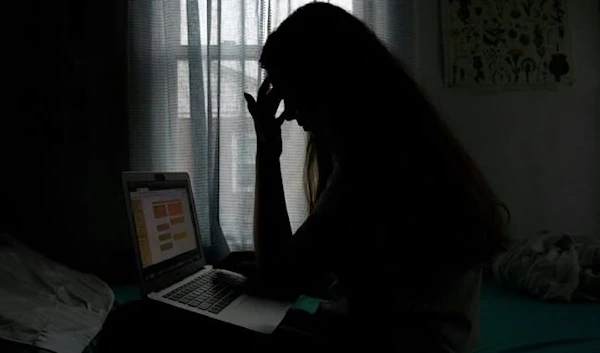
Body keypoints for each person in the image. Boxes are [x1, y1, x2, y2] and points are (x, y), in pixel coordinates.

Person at [97, 3, 510, 353]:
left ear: (326, 86)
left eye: (292, 93)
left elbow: (281, 279)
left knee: (137, 321)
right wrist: (268, 268)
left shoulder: (369, 170)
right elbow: (356, 270)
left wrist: (267, 149)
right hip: (410, 338)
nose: (291, 113)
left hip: (384, 343)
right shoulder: (409, 149)